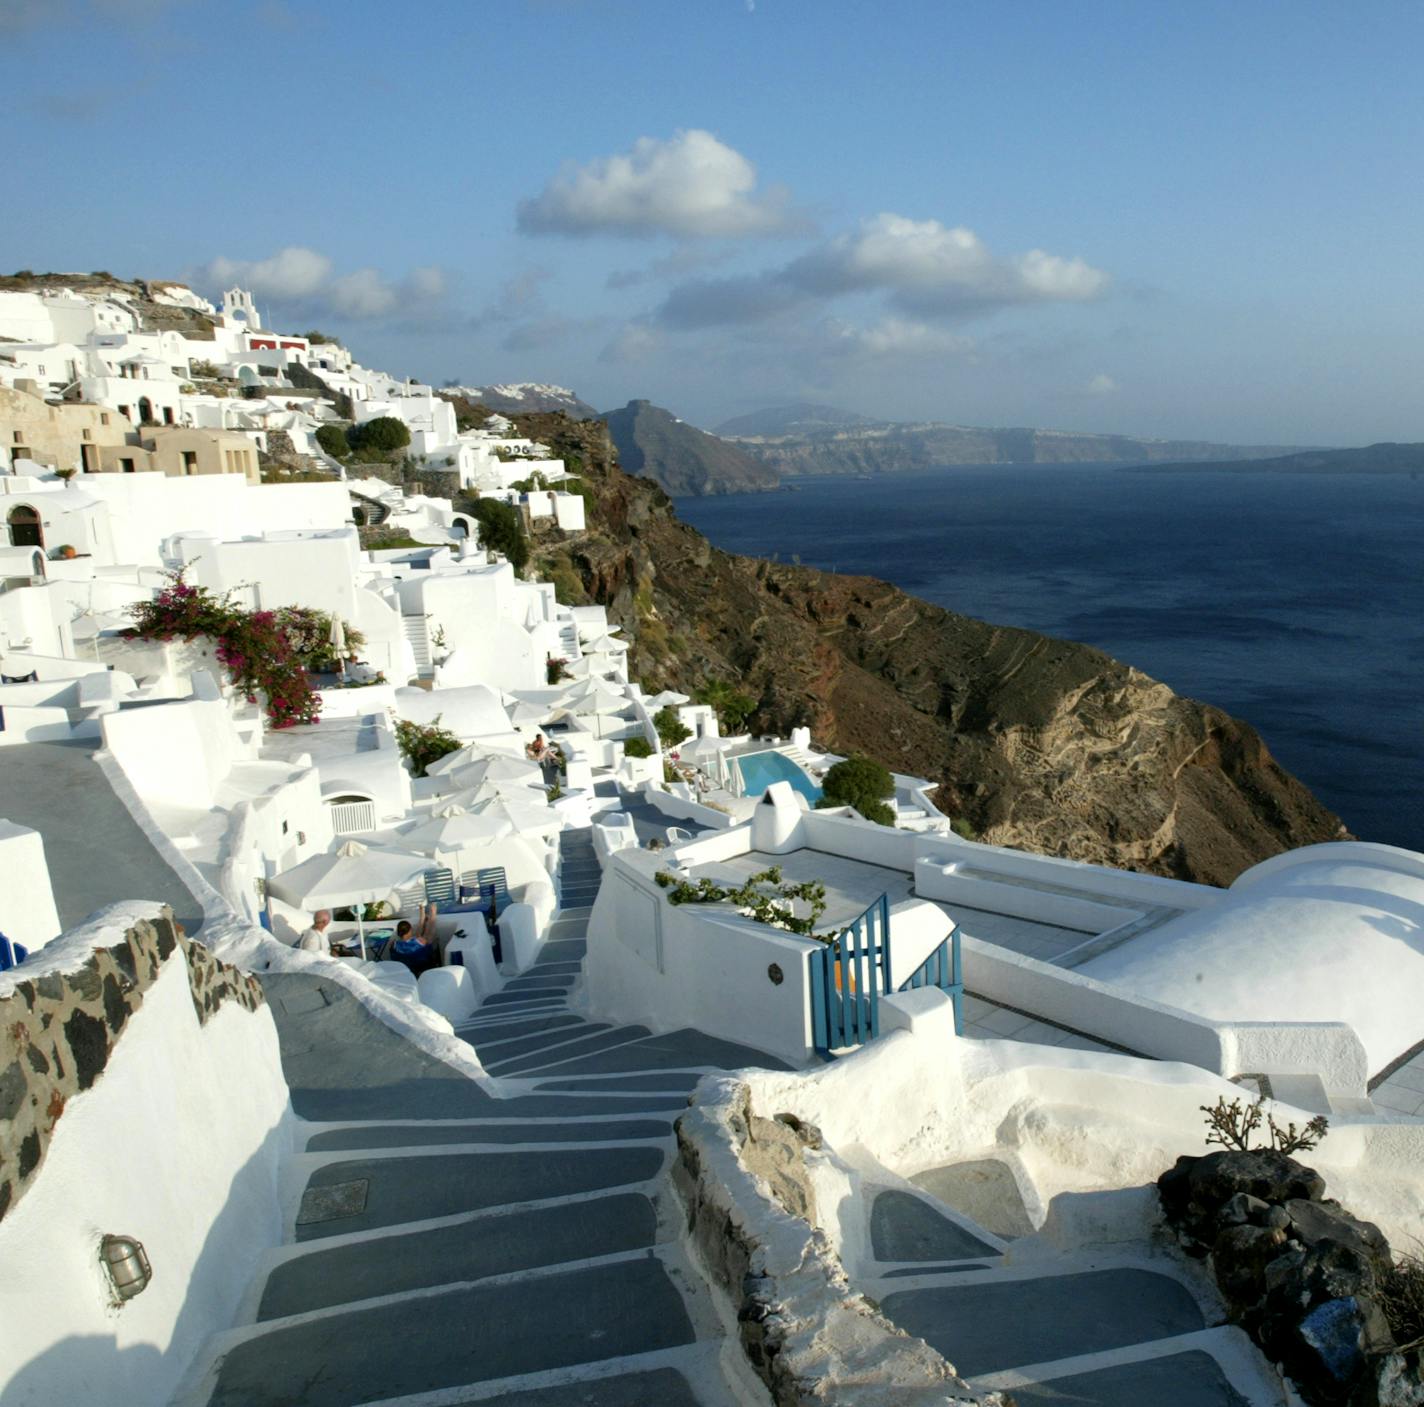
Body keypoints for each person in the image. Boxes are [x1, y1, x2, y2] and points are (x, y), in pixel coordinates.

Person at [391, 902, 440, 976]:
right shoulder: (419, 941)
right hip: (422, 965)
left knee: (418, 937)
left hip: (407, 967)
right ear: (410, 930)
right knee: (427, 936)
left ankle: (423, 915)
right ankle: (432, 914)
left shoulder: (394, 944)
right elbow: (428, 940)